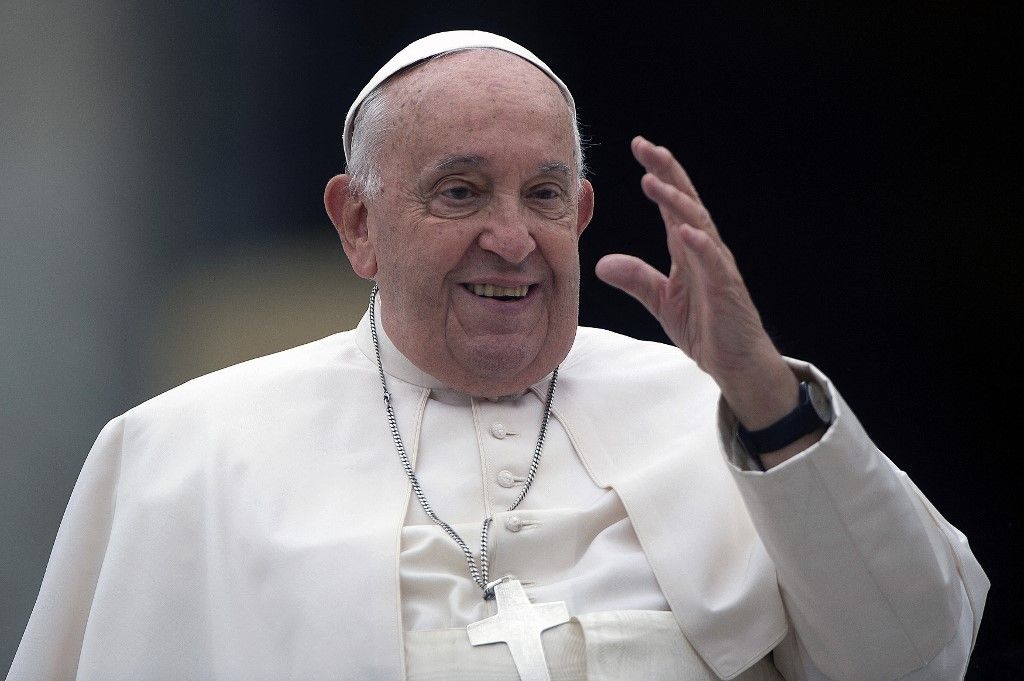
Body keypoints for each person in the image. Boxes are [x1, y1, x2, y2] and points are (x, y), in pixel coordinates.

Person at [7, 30, 987, 681]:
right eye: (461, 193)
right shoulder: (182, 455)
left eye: (544, 195)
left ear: (583, 215)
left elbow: (919, 655)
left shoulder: (722, 415)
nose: (512, 239)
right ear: (358, 226)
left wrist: (762, 388)